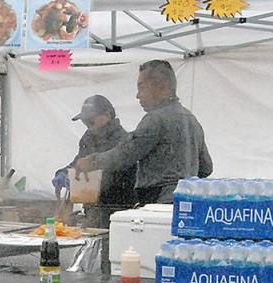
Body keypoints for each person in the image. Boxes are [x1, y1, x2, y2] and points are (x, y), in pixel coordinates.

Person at [75, 60, 212, 204]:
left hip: (159, 203)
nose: (138, 95)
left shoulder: (155, 119)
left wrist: (91, 162)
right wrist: (184, 182)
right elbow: (206, 167)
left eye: (141, 87)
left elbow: (125, 154)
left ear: (161, 88)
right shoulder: (191, 119)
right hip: (187, 203)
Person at [51, 94, 136, 228]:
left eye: (91, 121)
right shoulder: (88, 137)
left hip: (116, 212)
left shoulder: (123, 141)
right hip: (93, 211)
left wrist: (87, 178)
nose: (88, 125)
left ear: (107, 115)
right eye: (85, 121)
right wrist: (65, 173)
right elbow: (79, 161)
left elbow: (115, 176)